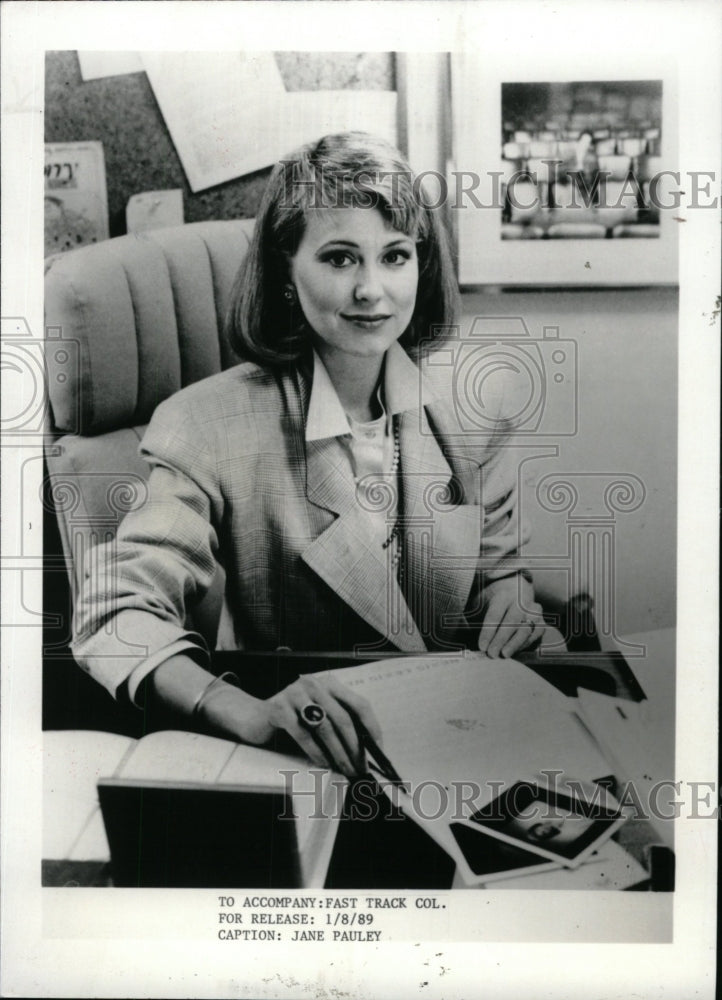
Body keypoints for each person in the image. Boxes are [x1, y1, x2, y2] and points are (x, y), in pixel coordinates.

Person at [72, 131, 546, 778]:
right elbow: (114, 614)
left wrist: (509, 596)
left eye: (396, 256)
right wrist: (243, 710)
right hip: (300, 757)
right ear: (286, 275)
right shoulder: (205, 425)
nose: (372, 290)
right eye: (341, 258)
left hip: (449, 744)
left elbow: (497, 568)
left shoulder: (471, 409)